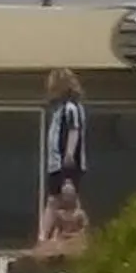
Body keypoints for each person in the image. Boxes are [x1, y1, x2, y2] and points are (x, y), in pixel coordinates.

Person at [39, 68, 89, 244]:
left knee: (61, 199)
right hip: (56, 163)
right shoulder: (59, 109)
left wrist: (69, 154)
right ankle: (59, 235)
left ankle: (46, 236)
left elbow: (73, 131)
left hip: (65, 163)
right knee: (60, 200)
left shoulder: (70, 108)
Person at [35, 177, 90, 258]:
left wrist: (78, 235)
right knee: (53, 246)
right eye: (66, 196)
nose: (68, 199)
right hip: (63, 237)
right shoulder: (60, 214)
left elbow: (85, 228)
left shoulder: (80, 214)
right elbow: (57, 229)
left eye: (70, 196)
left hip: (76, 237)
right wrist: (54, 239)